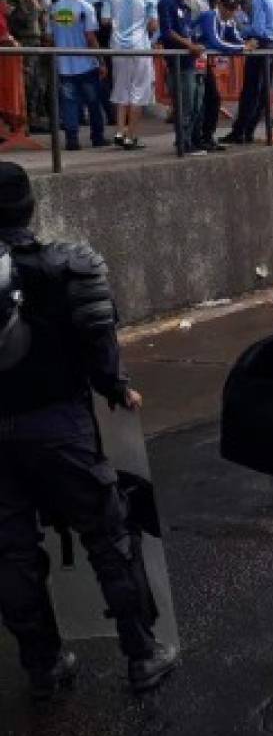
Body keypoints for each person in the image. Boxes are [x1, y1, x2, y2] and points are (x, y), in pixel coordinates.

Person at [0, 161, 178, 698]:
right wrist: (116, 388)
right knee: (107, 536)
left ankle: (43, 665)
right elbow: (99, 340)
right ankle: (141, 654)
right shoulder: (67, 266)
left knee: (11, 552)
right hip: (61, 426)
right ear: (31, 207)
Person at [101, 0, 159, 151]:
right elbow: (153, 25)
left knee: (121, 89)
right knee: (139, 92)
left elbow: (106, 20)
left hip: (117, 46)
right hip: (140, 46)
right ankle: (131, 136)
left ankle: (119, 131)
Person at [48, 0, 109, 152]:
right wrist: (101, 61)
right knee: (93, 102)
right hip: (85, 64)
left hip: (64, 66)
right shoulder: (85, 7)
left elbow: (49, 38)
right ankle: (97, 137)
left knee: (69, 104)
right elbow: (91, 37)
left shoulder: (55, 8)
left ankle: (72, 139)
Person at [224, 0, 273, 145]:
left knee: (250, 92)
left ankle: (240, 132)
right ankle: (249, 130)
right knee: (263, 92)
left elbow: (257, 30)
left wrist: (239, 30)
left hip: (260, 46)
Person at [157, 0, 207, 156]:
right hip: (179, 64)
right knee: (184, 106)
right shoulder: (167, 4)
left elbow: (188, 31)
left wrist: (195, 45)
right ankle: (183, 143)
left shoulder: (186, 7)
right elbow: (168, 32)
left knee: (195, 105)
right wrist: (189, 45)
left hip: (191, 61)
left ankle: (189, 140)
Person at [195, 0, 246, 152]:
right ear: (220, 5)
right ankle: (197, 138)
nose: (230, 12)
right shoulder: (210, 16)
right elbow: (215, 41)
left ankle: (207, 137)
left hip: (203, 63)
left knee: (212, 99)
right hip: (192, 61)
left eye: (233, 9)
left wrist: (246, 44)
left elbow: (236, 38)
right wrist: (243, 48)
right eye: (227, 8)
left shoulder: (229, 21)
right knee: (201, 101)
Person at [10, 0, 50, 134]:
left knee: (37, 83)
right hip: (26, 42)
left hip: (35, 42)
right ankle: (26, 120)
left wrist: (40, 3)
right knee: (28, 82)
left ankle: (34, 118)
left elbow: (43, 22)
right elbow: (21, 22)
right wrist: (36, 6)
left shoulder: (33, 0)